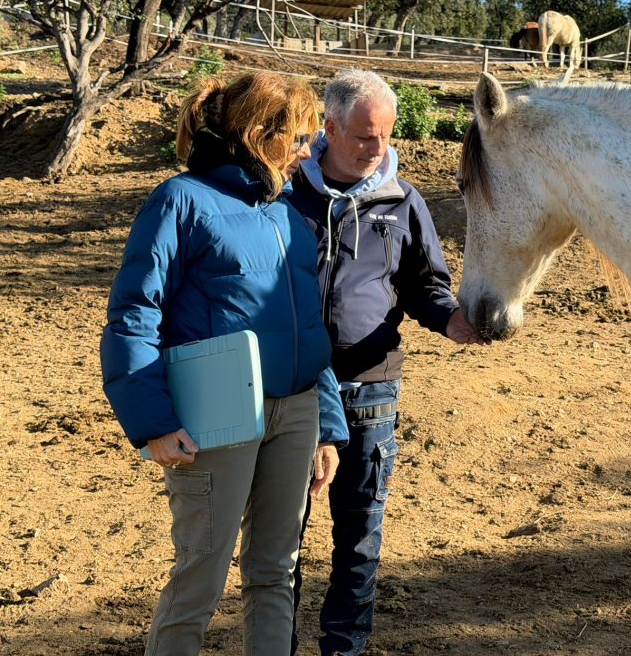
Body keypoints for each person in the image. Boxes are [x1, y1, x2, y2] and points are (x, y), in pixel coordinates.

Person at [99, 71, 348, 656]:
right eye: (302, 136)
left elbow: (309, 325)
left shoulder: (288, 212)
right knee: (200, 576)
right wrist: (154, 423)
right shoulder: (179, 200)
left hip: (297, 414)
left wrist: (327, 425)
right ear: (261, 134)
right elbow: (135, 313)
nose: (312, 149)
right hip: (217, 417)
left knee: (276, 571)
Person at [289, 69, 486, 656]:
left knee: (360, 540)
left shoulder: (401, 200)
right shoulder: (284, 192)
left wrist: (451, 319)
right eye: (364, 138)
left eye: (385, 136)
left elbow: (425, 282)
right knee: (282, 541)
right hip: (291, 391)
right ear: (329, 128)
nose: (379, 150)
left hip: (372, 388)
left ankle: (343, 650)